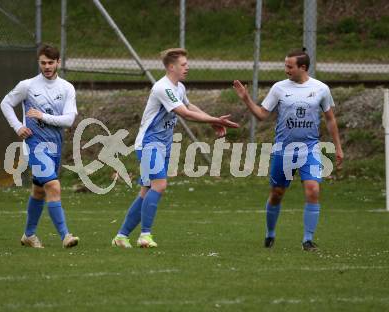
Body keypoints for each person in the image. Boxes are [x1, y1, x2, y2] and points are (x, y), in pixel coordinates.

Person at [112, 48, 239, 248]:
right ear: (171, 67)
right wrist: (212, 120)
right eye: (183, 64)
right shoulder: (163, 88)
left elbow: (190, 107)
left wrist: (211, 119)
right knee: (159, 186)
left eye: (187, 64)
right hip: (149, 143)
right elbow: (184, 114)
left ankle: (121, 236)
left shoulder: (179, 87)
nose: (187, 67)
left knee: (146, 192)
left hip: (163, 145)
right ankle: (145, 235)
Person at [233, 48, 343, 251]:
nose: (286, 70)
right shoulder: (279, 88)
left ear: (303, 67)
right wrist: (246, 99)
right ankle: (270, 234)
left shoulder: (321, 89)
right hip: (284, 150)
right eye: (285, 66)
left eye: (289, 66)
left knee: (313, 190)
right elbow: (262, 115)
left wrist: (338, 147)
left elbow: (330, 119)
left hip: (310, 149)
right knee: (277, 193)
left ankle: (307, 240)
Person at [0, 44, 79, 248]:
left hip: (55, 146)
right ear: (39, 63)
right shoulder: (27, 86)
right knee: (53, 186)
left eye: (51, 63)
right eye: (43, 63)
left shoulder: (67, 88)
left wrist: (42, 116)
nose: (47, 66)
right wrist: (18, 126)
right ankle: (65, 236)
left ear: (58, 63)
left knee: (38, 192)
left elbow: (69, 120)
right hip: (35, 146)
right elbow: (6, 103)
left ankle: (28, 235)